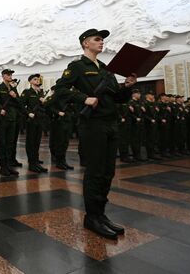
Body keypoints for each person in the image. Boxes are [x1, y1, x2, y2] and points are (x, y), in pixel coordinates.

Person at [53, 28, 137, 240]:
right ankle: (92, 217)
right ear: (85, 43)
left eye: (102, 40)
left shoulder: (106, 69)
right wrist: (84, 98)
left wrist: (127, 87)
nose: (101, 42)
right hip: (93, 125)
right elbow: (60, 89)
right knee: (96, 171)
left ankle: (101, 214)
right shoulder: (77, 67)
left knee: (108, 172)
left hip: (110, 123)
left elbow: (117, 97)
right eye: (97, 39)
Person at [0, 69, 20, 176]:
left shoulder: (13, 89)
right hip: (2, 119)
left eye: (11, 74)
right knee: (2, 143)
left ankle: (9, 166)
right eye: (8, 74)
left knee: (10, 143)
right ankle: (3, 167)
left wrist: (15, 96)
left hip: (12, 118)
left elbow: (19, 103)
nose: (10, 76)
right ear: (3, 76)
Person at [22, 74, 48, 173]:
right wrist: (28, 113)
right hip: (31, 120)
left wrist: (44, 102)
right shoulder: (27, 92)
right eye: (35, 79)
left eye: (38, 79)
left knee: (37, 142)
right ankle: (32, 163)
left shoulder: (41, 93)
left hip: (40, 120)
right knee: (31, 142)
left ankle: (36, 162)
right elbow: (21, 105)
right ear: (30, 81)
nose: (37, 80)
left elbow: (44, 107)